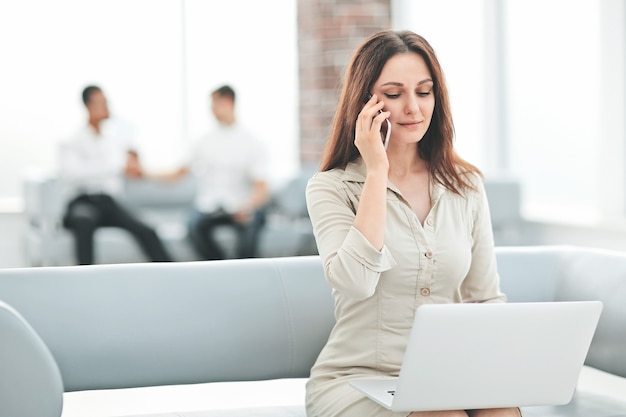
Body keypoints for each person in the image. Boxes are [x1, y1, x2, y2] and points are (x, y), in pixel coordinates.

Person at [304, 30, 520, 417]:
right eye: (393, 93)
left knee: (501, 411)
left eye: (424, 92)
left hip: (444, 375)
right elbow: (354, 282)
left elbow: (485, 299)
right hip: (357, 380)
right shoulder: (331, 187)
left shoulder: (466, 186)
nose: (413, 108)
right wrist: (376, 172)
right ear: (365, 102)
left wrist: (499, 374)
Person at [58, 85, 172, 265]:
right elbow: (73, 174)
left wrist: (132, 161)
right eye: (101, 102)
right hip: (83, 202)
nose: (106, 106)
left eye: (106, 102)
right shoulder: (72, 140)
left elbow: (128, 164)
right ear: (88, 106)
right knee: (84, 221)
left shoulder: (112, 140)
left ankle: (171, 276)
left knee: (147, 230)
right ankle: (86, 282)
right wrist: (114, 166)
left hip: (108, 203)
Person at [159, 85, 269, 260]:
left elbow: (261, 187)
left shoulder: (252, 142)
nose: (211, 110)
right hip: (209, 207)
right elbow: (178, 173)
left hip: (241, 205)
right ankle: (220, 268)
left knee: (254, 223)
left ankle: (244, 272)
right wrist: (144, 173)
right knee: (193, 226)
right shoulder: (203, 141)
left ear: (228, 102)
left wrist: (248, 205)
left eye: (214, 104)